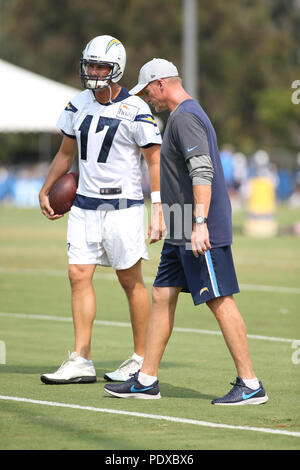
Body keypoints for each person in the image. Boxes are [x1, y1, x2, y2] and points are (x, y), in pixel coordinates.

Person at [104, 58, 268, 405]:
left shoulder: (186, 117)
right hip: (181, 223)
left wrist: (199, 224)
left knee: (219, 299)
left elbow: (201, 172)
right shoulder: (180, 116)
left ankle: (250, 384)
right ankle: (147, 379)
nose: (148, 98)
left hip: (198, 226)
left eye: (149, 91)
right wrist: (166, 215)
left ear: (162, 83)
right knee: (162, 295)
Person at [39, 37, 164, 385]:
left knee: (130, 280)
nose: (93, 72)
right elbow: (66, 155)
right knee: (78, 275)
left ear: (117, 69)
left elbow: (153, 159)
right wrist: (46, 187)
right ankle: (81, 358)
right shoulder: (77, 103)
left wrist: (158, 208)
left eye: (101, 67)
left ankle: (141, 358)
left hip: (122, 207)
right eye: (90, 65)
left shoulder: (136, 108)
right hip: (84, 206)